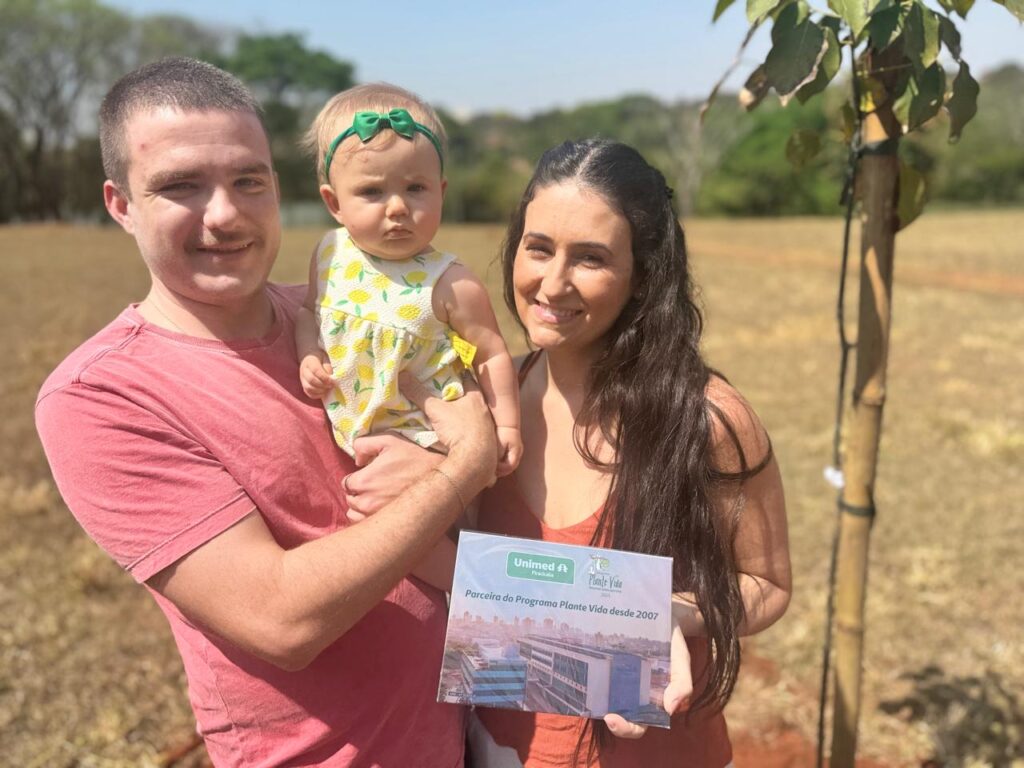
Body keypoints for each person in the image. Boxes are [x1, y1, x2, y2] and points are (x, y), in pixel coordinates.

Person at [34, 57, 498, 768]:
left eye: (247, 180)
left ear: (279, 191)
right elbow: (283, 619)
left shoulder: (350, 313)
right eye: (179, 186)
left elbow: (491, 515)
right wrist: (460, 470)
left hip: (463, 733)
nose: (224, 213)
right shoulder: (102, 396)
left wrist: (657, 624)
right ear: (121, 203)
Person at [469, 139, 792, 767]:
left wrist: (672, 612)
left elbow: (768, 584)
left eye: (590, 259)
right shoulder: (487, 401)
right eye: (539, 249)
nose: (552, 283)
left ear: (643, 275)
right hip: (500, 749)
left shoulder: (707, 420)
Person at [295, 83, 522, 475]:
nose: (398, 207)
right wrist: (309, 354)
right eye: (372, 191)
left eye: (416, 188)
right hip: (347, 438)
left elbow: (491, 355)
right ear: (334, 203)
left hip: (428, 444)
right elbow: (306, 313)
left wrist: (507, 425)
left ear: (441, 192)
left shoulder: (452, 284)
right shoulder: (329, 254)